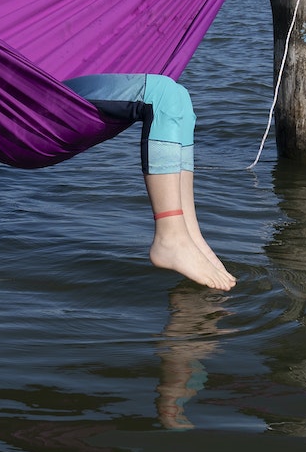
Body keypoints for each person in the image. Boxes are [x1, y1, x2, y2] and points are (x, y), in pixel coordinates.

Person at [63, 74, 235, 291]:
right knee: (162, 96)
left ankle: (189, 233)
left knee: (181, 99)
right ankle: (170, 236)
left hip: (58, 73)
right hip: (36, 88)